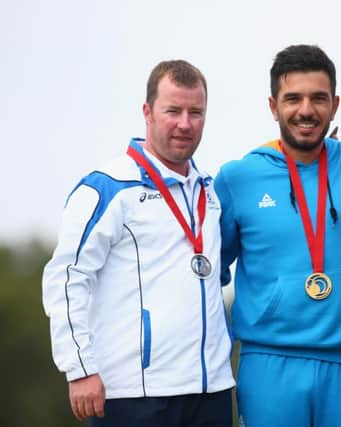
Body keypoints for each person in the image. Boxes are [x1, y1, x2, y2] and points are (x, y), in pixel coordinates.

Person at [42, 60, 234, 427]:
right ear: (147, 112)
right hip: (135, 395)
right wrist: (78, 367)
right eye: (173, 111)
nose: (185, 123)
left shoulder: (208, 191)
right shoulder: (107, 188)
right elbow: (66, 277)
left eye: (196, 112)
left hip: (211, 391)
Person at [214, 44, 341, 427]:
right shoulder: (238, 178)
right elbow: (208, 273)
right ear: (273, 105)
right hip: (268, 362)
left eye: (318, 98)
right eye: (293, 98)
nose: (306, 110)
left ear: (335, 105)